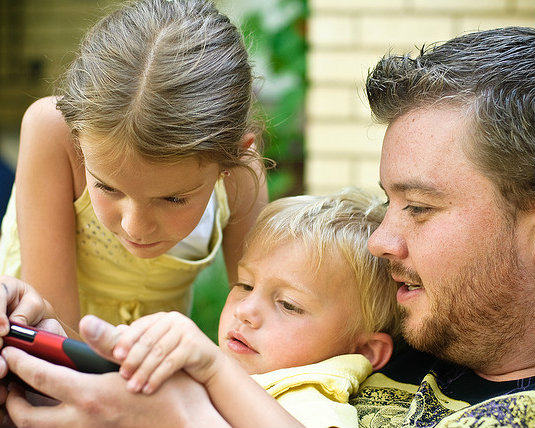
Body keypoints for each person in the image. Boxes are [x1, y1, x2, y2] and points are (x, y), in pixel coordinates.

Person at [1, 25, 534, 428]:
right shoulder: (404, 316)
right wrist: (44, 337)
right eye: (388, 201)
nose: (381, 241)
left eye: (419, 207)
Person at [0, 0, 268, 334]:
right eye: (107, 187)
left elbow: (258, 329)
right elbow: (54, 338)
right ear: (78, 137)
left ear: (231, 159)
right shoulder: (53, 132)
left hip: (150, 374)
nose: (136, 228)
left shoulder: (241, 175)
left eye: (173, 199)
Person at [102, 187, 401, 428]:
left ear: (363, 351)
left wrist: (213, 369)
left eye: (288, 305)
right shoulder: (248, 369)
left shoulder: (312, 395)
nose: (245, 310)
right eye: (244, 285)